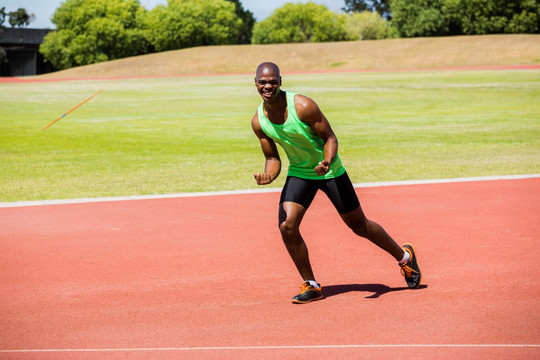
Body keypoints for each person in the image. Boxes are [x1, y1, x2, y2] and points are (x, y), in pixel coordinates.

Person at [251, 62, 421, 304]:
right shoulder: (259, 121)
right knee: (287, 226)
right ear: (255, 83)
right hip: (300, 172)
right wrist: (269, 175)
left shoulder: (303, 106)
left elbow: (330, 137)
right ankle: (311, 285)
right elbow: (272, 158)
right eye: (262, 82)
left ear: (280, 81)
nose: (268, 86)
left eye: (272, 81)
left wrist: (327, 162)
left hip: (330, 171)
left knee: (359, 226)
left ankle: (405, 257)